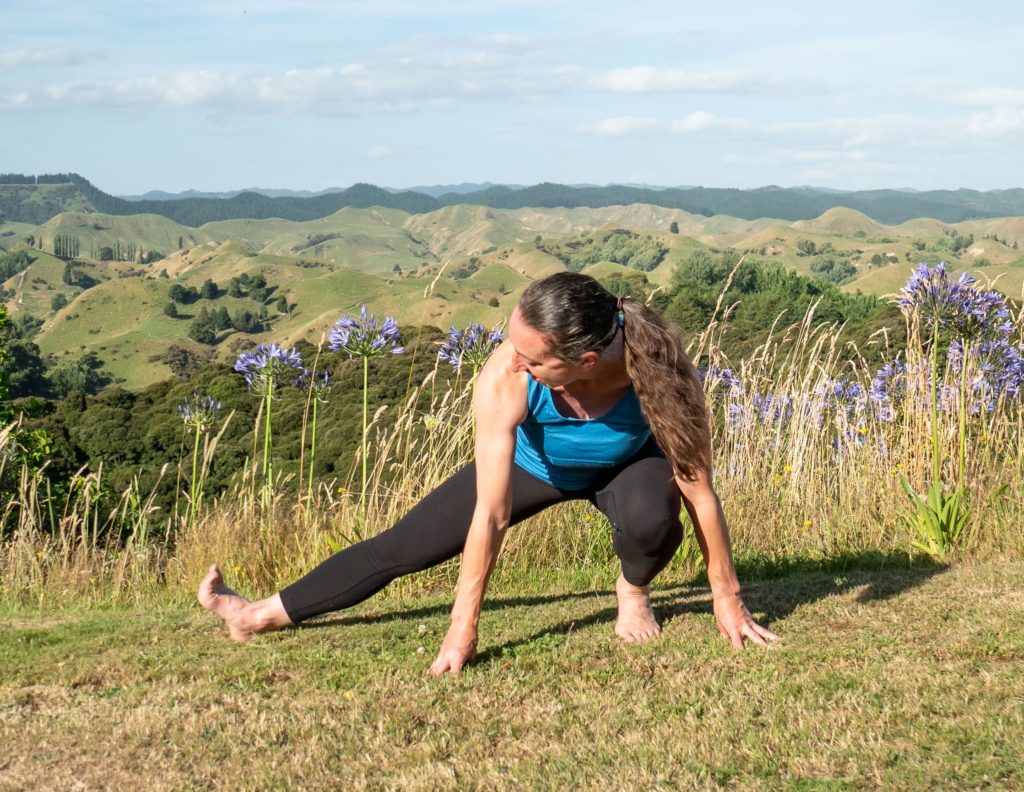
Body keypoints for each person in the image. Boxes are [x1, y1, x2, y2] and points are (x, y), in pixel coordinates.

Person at [199, 272, 779, 674]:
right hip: (536, 467)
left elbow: (700, 492)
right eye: (512, 344)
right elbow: (492, 513)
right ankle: (255, 616)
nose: (512, 361)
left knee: (655, 520)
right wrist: (463, 626)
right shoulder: (506, 376)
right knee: (399, 547)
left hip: (629, 465)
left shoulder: (658, 367)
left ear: (585, 361)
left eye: (532, 357)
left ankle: (633, 590)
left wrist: (726, 597)